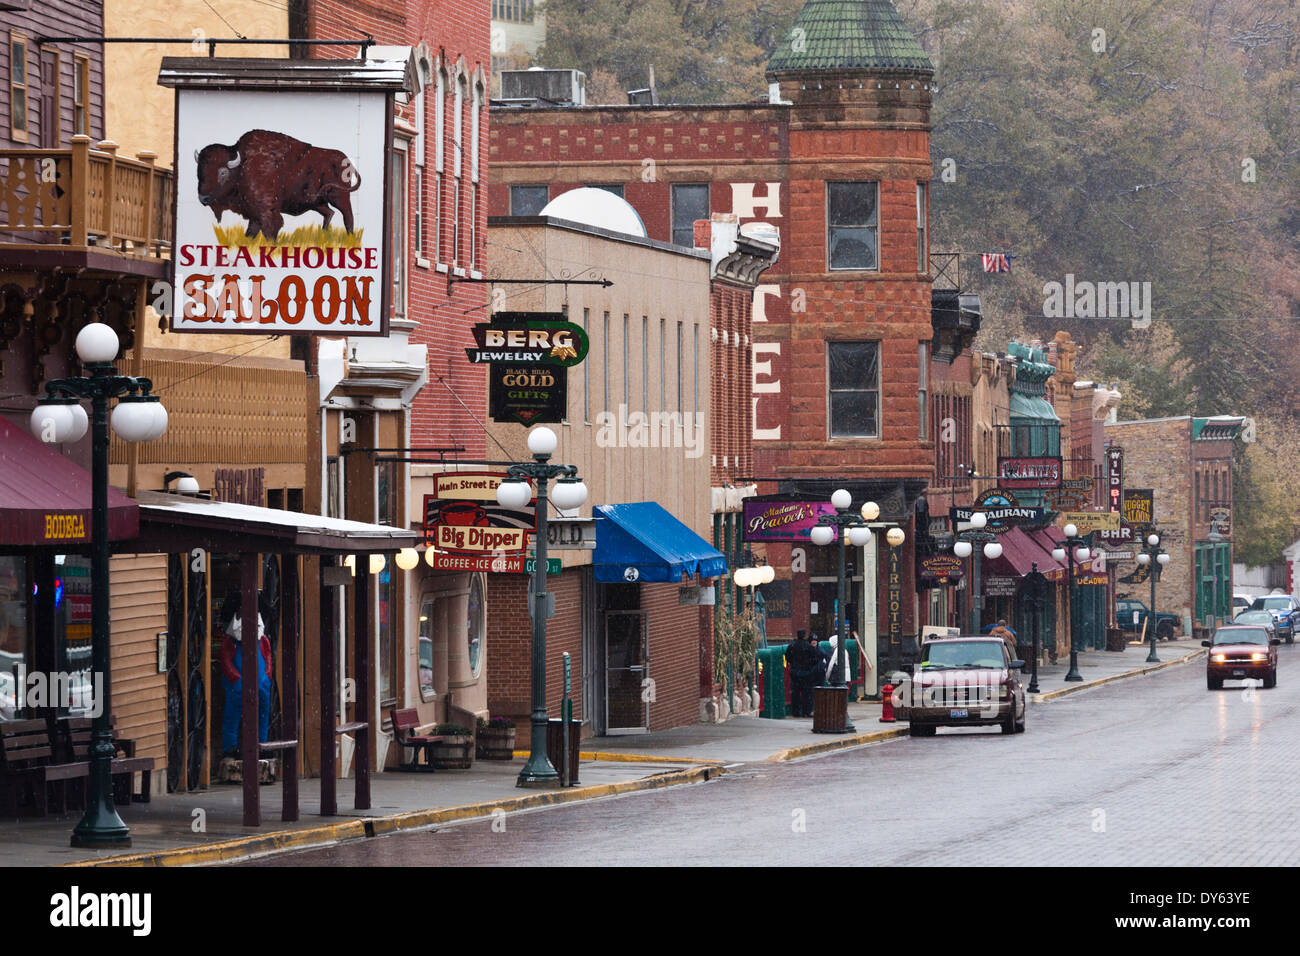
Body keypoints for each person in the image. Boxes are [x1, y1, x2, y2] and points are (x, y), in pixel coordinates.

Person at [218, 591, 274, 758]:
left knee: (263, 713)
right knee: (233, 714)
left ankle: (261, 743)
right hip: (238, 683)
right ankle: (230, 746)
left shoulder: (262, 640)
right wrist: (235, 679)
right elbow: (226, 660)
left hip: (260, 683)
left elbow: (268, 657)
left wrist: (266, 676)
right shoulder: (231, 641)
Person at [784, 630, 813, 717]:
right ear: (804, 635)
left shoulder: (792, 646)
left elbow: (787, 657)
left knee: (795, 693)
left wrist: (793, 663)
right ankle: (806, 712)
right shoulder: (808, 646)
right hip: (806, 672)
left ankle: (795, 711)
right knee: (806, 693)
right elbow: (814, 657)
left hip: (795, 672)